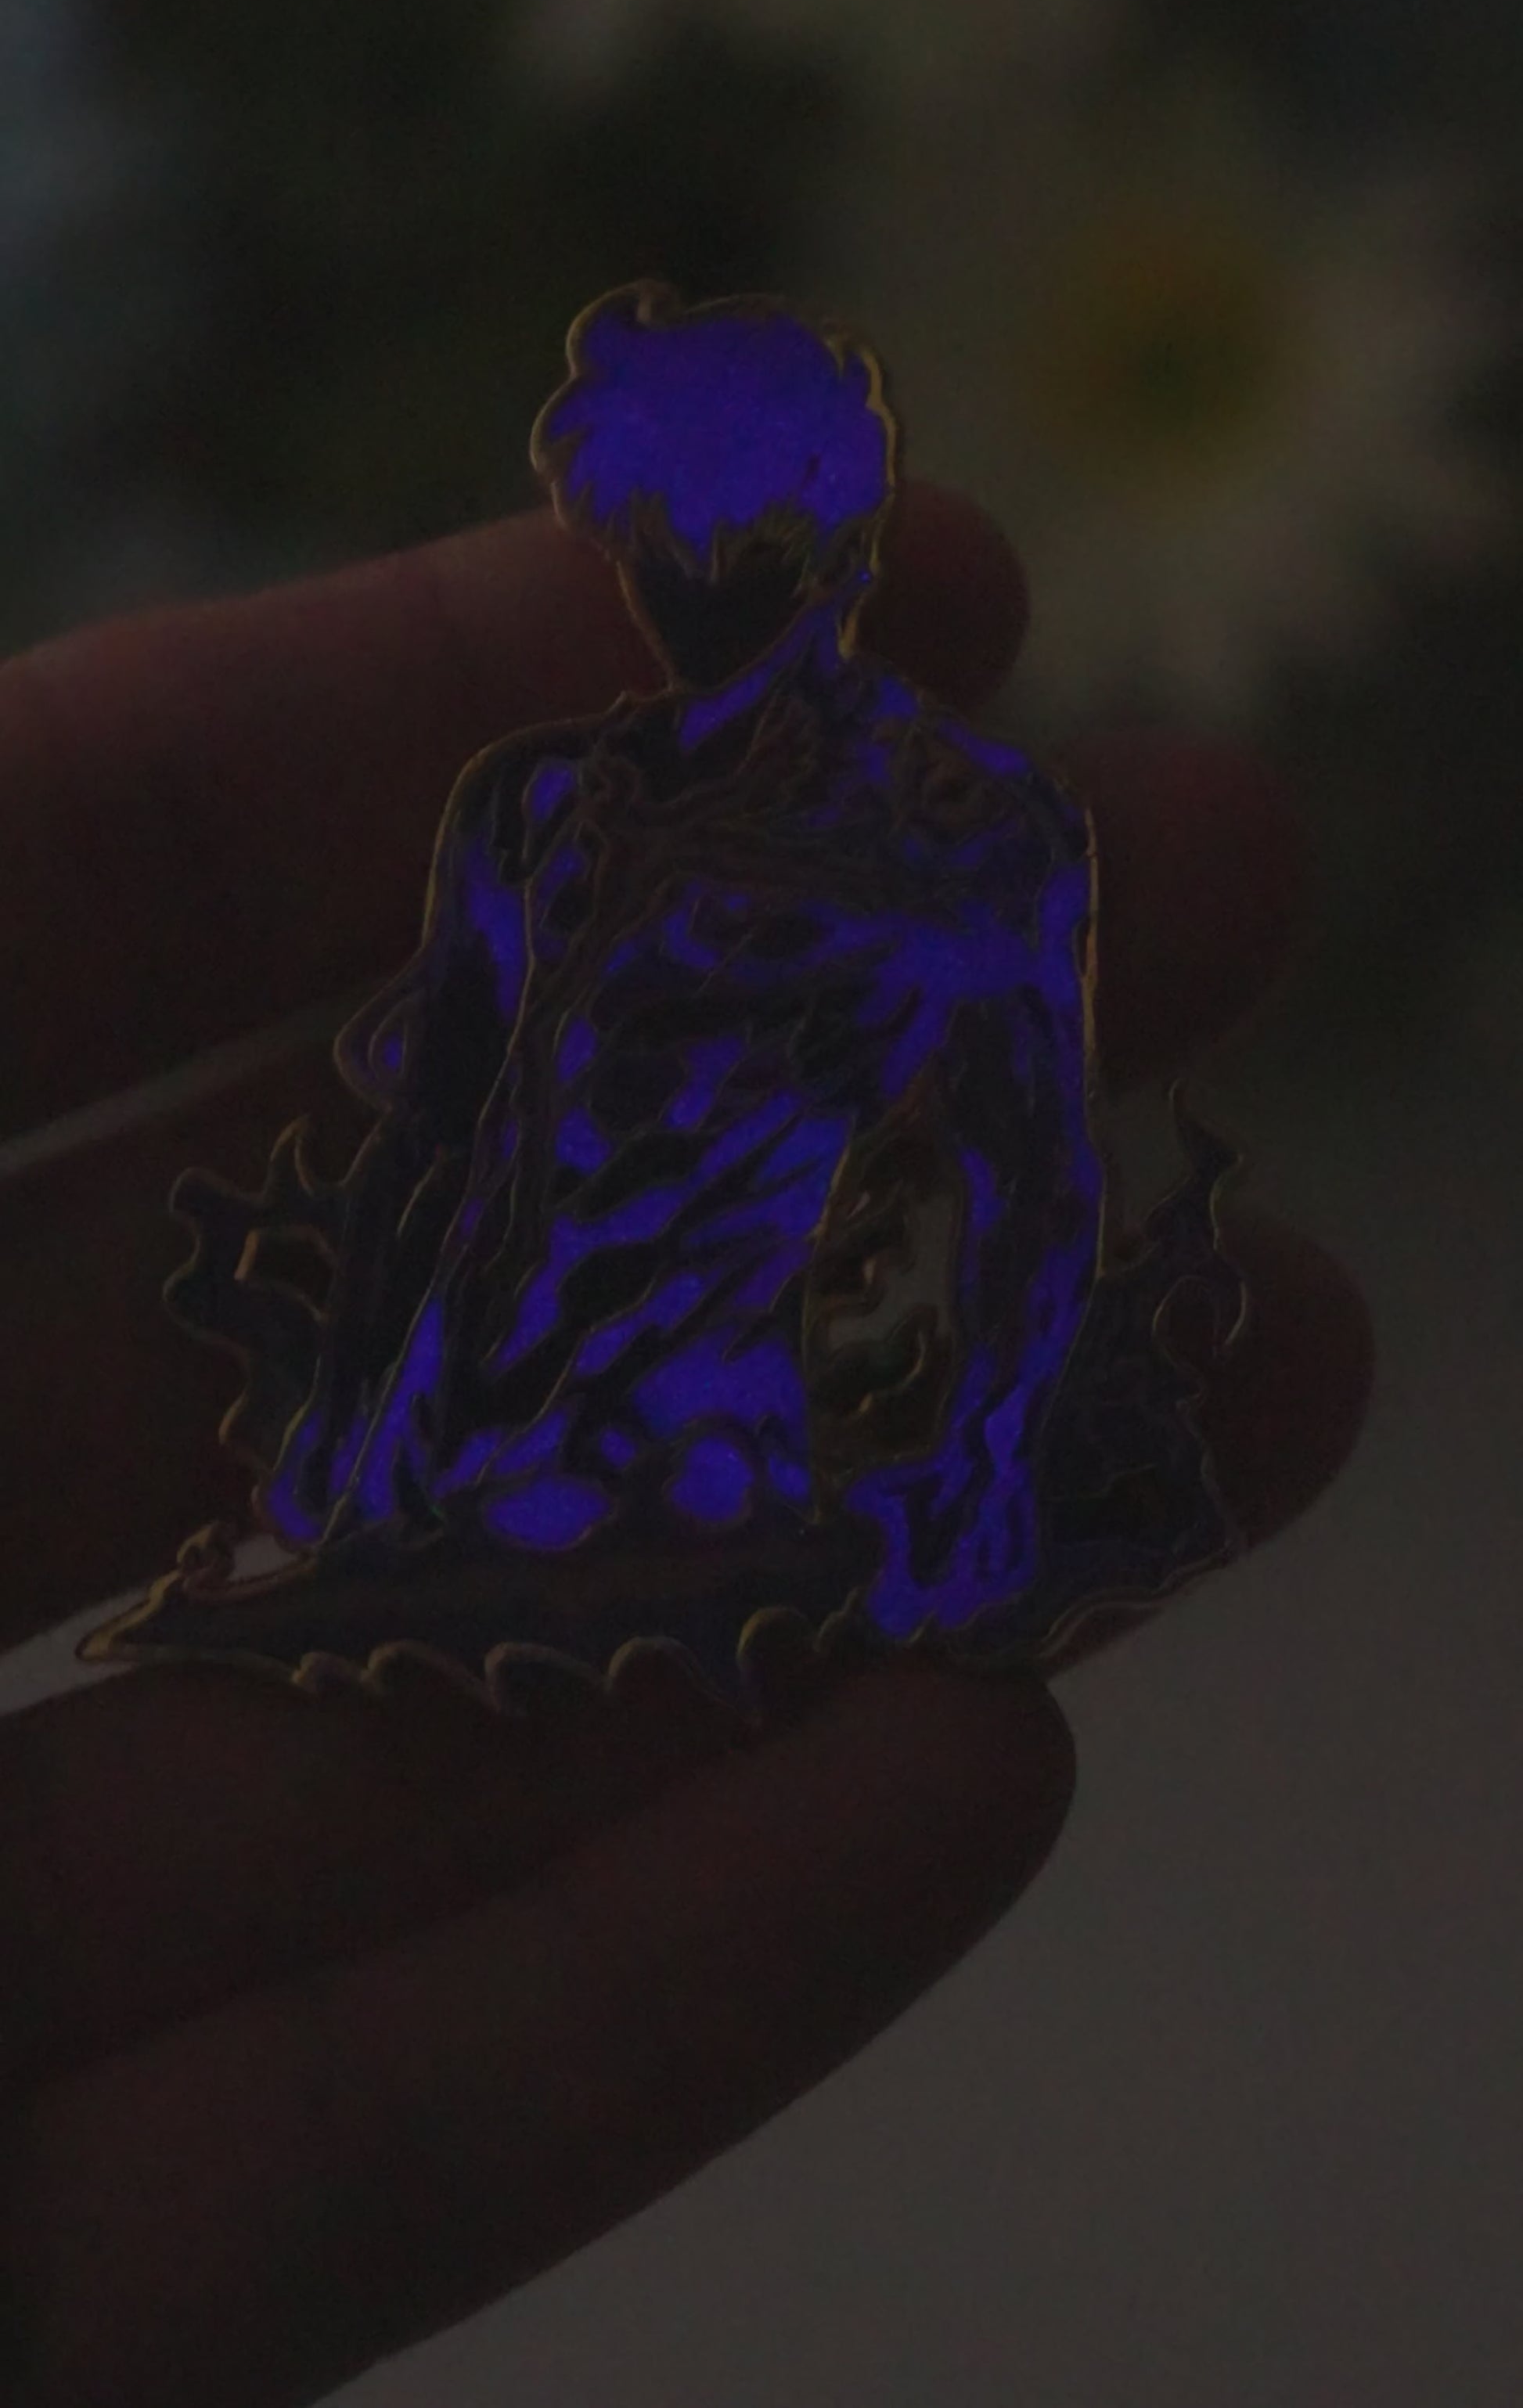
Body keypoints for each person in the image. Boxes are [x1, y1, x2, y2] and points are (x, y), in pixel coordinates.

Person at [0, 476, 1371, 2406]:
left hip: (850, 1309)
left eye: (747, 557)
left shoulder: (965, 824)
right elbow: (448, 1115)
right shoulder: (550, 803)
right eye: (676, 557)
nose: (705, 595)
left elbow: (1007, 1127)